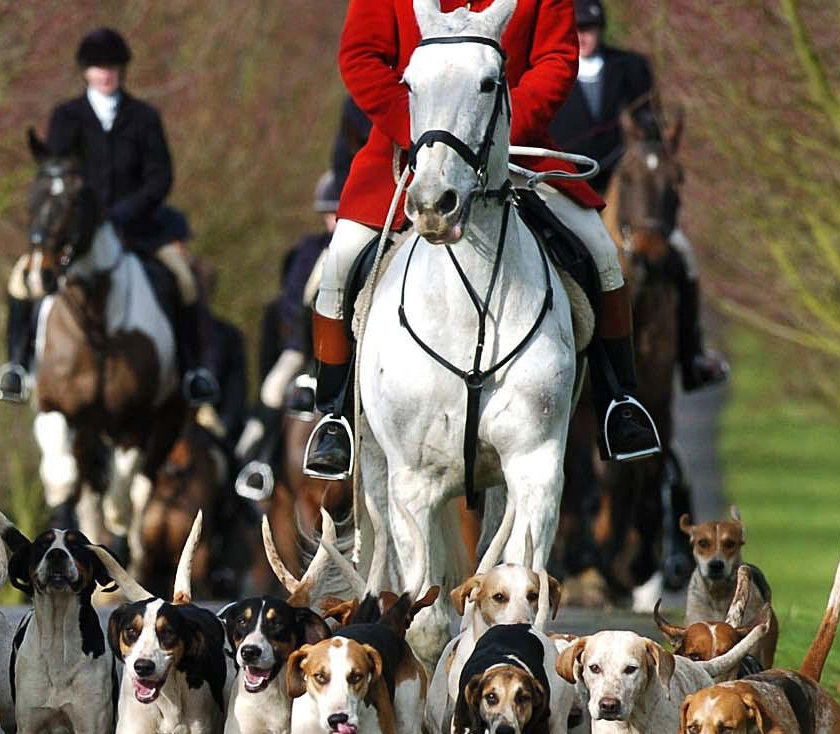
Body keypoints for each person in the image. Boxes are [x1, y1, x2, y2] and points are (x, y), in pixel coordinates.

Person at [304, 0, 661, 481]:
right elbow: (361, 58)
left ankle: (619, 403)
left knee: (600, 251)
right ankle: (336, 415)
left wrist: (502, 128)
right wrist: (421, 129)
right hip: (412, 149)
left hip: (512, 145)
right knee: (341, 262)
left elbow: (556, 59)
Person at [0, 27, 219, 408]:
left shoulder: (144, 117)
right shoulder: (66, 117)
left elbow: (160, 177)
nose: (106, 73)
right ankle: (17, 366)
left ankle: (193, 372)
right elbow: (56, 173)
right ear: (86, 72)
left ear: (122, 70)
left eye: (112, 66)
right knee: (21, 280)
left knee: (183, 280)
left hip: (139, 227)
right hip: (75, 232)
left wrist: (124, 213)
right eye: (98, 67)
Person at [549, 0, 728, 391]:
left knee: (681, 254)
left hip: (627, 189)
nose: (585, 38)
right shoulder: (550, 68)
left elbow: (650, 123)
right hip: (565, 187)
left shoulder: (630, 68)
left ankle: (692, 356)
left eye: (591, 30)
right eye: (577, 30)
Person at [231, 170, 342, 500]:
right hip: (306, 349)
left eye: (340, 211)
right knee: (274, 388)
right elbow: (291, 301)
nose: (336, 220)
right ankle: (259, 463)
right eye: (331, 214)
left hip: (357, 349)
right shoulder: (309, 250)